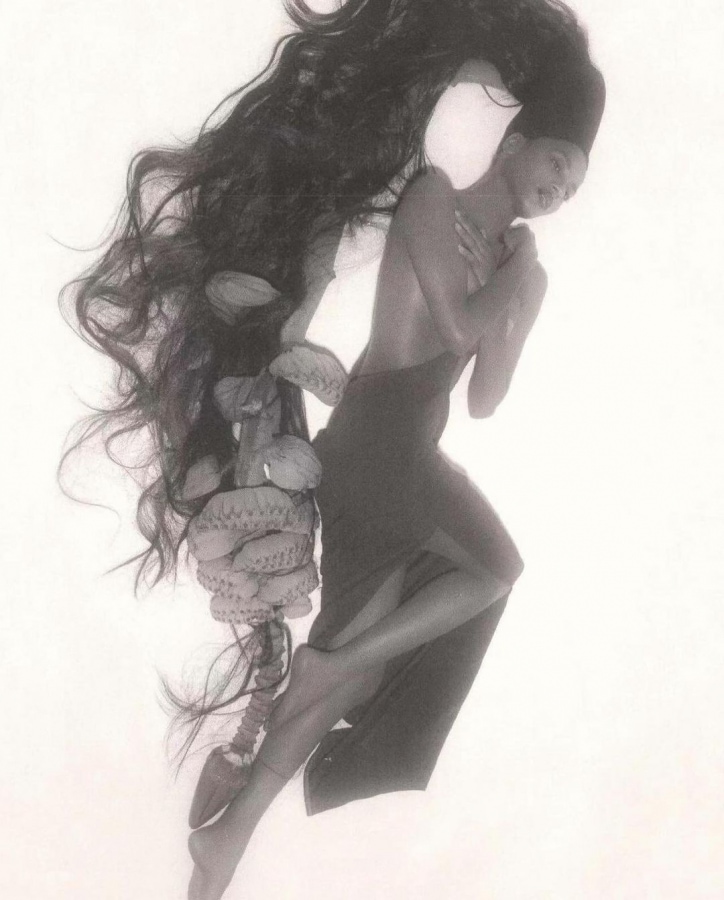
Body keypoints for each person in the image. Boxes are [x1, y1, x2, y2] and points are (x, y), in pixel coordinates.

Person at [59, 2, 604, 899]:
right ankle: (329, 670)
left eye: (574, 186)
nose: (560, 190)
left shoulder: (516, 263)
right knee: (493, 570)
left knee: (355, 680)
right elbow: (455, 326)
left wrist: (525, 299)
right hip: (376, 442)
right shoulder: (433, 200)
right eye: (557, 165)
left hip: (403, 451)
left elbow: (485, 396)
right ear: (517, 142)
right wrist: (507, 284)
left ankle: (227, 840)